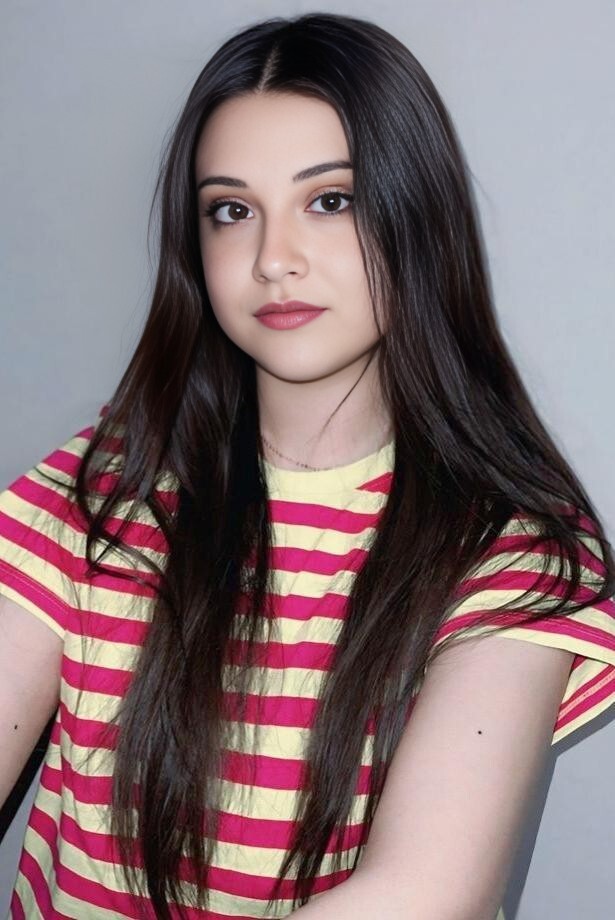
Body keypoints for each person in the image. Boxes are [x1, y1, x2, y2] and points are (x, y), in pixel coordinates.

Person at [1, 11, 614, 920]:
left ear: (416, 217)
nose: (272, 260)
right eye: (232, 210)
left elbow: (424, 896)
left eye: (330, 201)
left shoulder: (513, 554)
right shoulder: (99, 489)